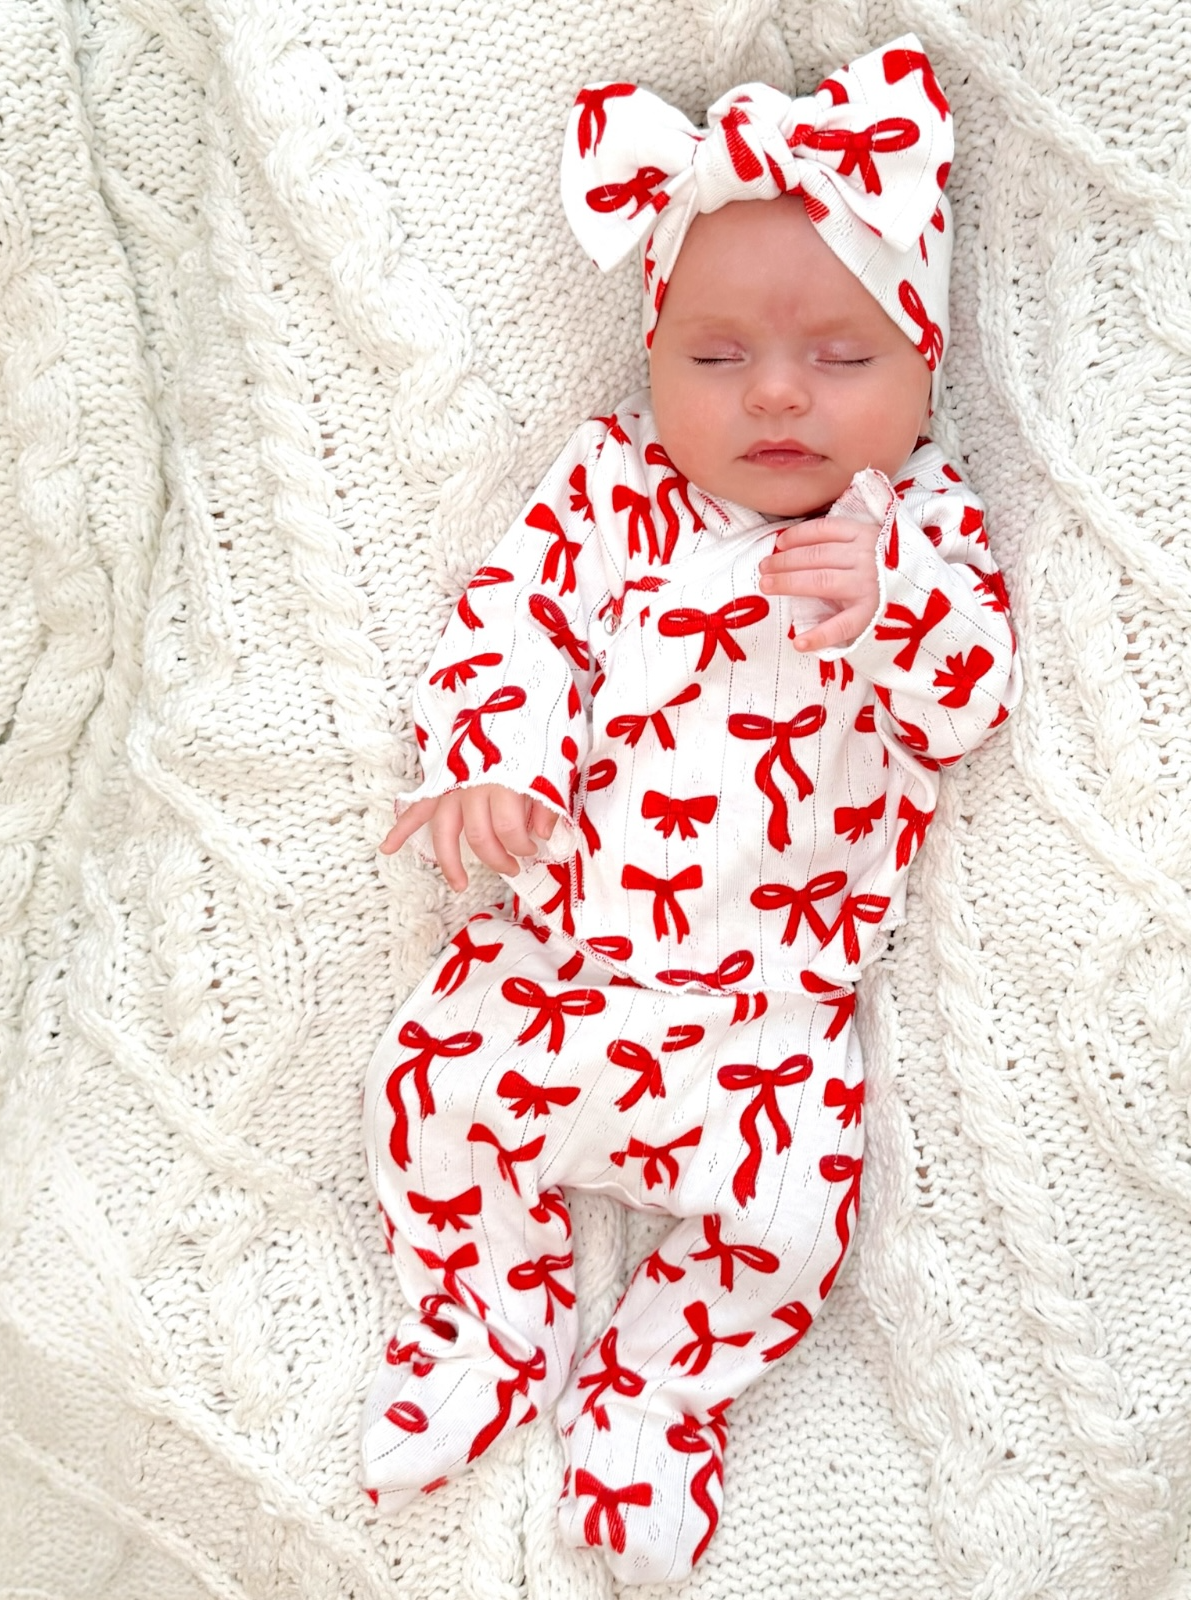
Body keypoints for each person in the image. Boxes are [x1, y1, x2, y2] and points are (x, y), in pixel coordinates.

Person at [362, 35, 1020, 1584]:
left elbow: (973, 698)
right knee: (437, 1092)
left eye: (842, 359)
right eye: (715, 358)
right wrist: (495, 759)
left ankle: (656, 1396)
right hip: (566, 965)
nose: (778, 392)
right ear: (651, 358)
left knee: (793, 1223)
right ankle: (481, 1329)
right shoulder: (609, 493)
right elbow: (507, 620)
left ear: (922, 368)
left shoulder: (921, 525)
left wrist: (894, 604)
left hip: (770, 1019)